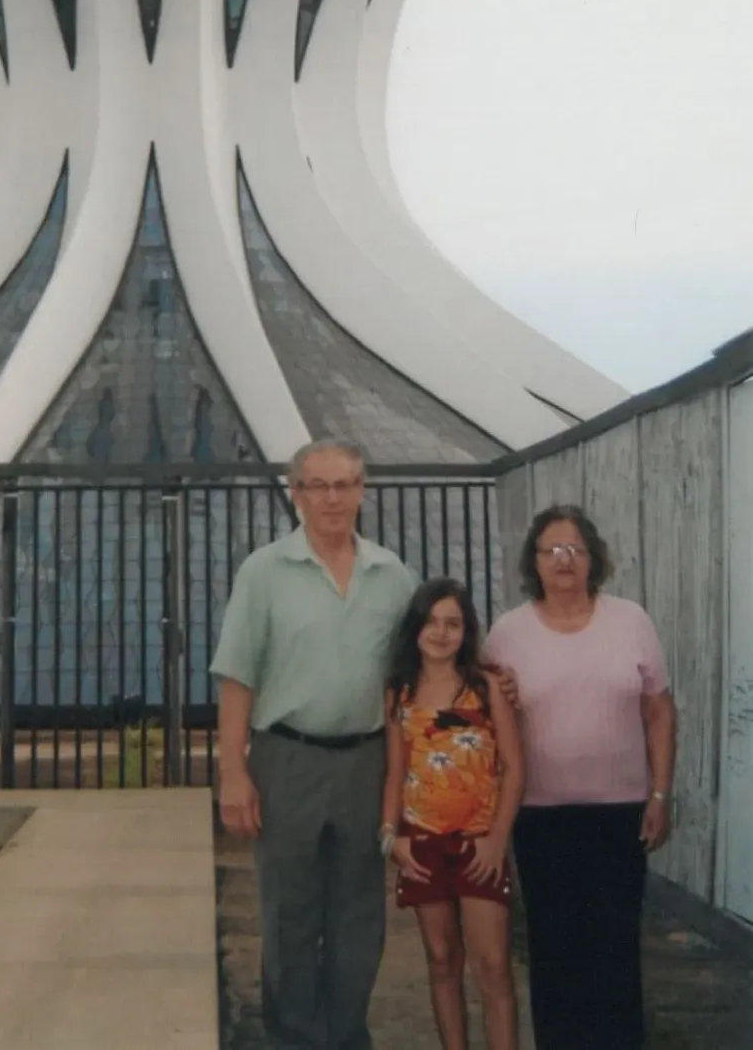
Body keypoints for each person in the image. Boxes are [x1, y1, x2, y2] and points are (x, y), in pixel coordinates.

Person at [210, 438, 417, 1050]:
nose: (333, 498)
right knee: (290, 914)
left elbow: (421, 667)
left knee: (359, 917)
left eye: (345, 484)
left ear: (362, 491)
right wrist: (233, 773)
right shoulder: (264, 573)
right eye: (319, 486)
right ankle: (293, 1038)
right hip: (288, 759)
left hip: (367, 762)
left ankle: (347, 1036)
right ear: (296, 493)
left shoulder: (392, 575)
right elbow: (237, 676)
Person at [483, 504, 677, 1050]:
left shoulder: (631, 622)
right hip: (541, 818)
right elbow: (487, 718)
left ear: (594, 558)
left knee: (616, 948)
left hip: (620, 816)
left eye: (575, 549)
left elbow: (659, 711)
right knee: (554, 950)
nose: (564, 560)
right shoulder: (507, 634)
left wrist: (660, 792)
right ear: (534, 561)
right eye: (552, 550)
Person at [380, 577, 524, 1050]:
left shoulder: (486, 687)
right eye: (432, 622)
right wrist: (392, 835)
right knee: (442, 959)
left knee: (493, 965)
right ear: (415, 628)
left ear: (467, 631)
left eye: (453, 624)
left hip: (479, 845)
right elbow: (394, 770)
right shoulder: (399, 692)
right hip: (422, 843)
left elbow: (514, 767)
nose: (441, 633)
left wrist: (497, 839)